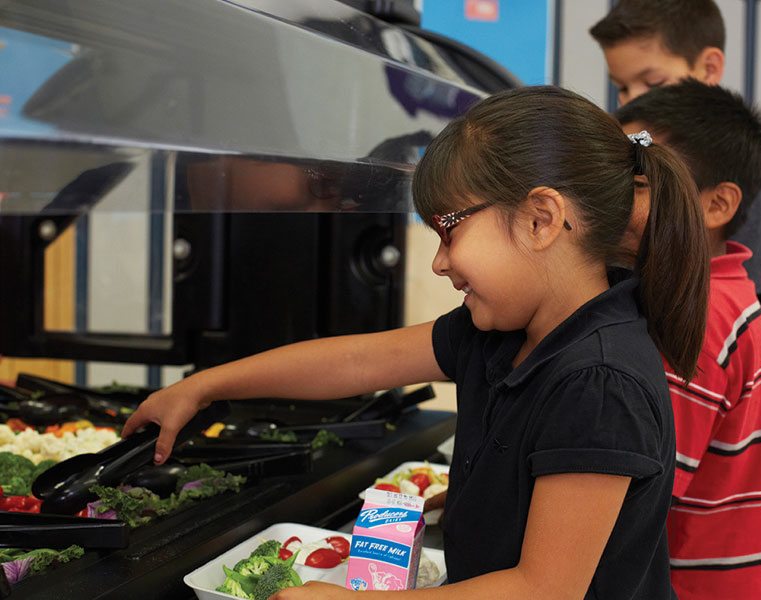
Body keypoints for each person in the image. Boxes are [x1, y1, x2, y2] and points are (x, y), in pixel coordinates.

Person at [123, 86, 710, 599]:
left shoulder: (599, 382)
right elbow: (356, 360)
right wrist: (204, 385)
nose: (437, 262)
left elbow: (543, 589)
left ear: (540, 219)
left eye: (448, 231)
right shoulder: (499, 333)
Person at [616, 80, 761, 600]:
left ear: (717, 205)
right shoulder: (725, 289)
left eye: (641, 181)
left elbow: (642, 493)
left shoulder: (700, 313)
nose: (611, 196)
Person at [590, 0, 761, 413]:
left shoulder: (740, 187)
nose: (632, 102)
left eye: (652, 83)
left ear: (708, 68)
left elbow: (758, 318)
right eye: (623, 88)